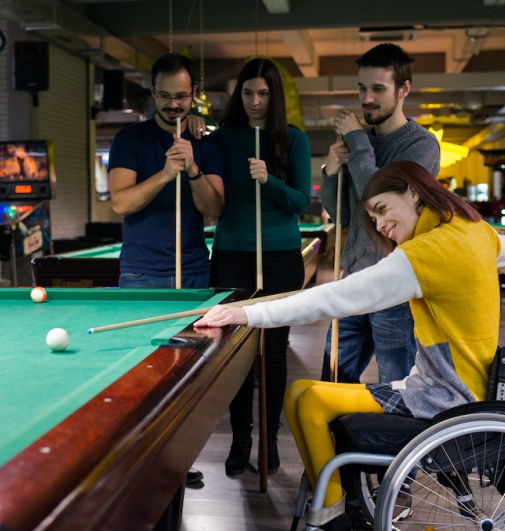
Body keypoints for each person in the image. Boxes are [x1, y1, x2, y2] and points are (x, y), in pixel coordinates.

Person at [196, 160, 505, 530]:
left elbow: (337, 297)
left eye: (383, 209)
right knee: (298, 394)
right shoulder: (474, 231)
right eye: (372, 218)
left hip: (444, 398)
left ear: (414, 191)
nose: (380, 225)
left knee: (310, 401)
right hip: (456, 388)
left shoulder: (427, 253)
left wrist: (246, 315)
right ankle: (337, 501)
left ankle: (335, 515)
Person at [207, 58, 311, 477]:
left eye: (263, 94)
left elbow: (301, 201)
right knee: (237, 354)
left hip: (281, 257)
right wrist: (197, 127)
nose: (254, 101)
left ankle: (269, 440)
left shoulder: (294, 139)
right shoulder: (222, 139)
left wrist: (269, 180)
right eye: (247, 93)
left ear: (274, 96)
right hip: (232, 254)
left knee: (272, 352)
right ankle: (240, 438)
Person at [319, 43, 441, 386]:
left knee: (396, 386)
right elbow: (339, 214)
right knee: (332, 383)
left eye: (377, 89)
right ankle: (339, 442)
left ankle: (396, 444)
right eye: (361, 88)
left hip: (394, 286)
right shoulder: (355, 145)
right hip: (353, 280)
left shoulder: (421, 146)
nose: (366, 98)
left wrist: (358, 140)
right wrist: (330, 170)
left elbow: (381, 200)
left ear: (404, 89)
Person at [108, 53, 224, 288]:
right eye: (165, 96)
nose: (173, 104)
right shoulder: (129, 139)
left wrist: (192, 168)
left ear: (193, 91)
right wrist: (165, 174)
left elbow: (213, 211)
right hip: (140, 274)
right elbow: (120, 204)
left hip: (194, 271)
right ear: (153, 91)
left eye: (181, 96)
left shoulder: (206, 142)